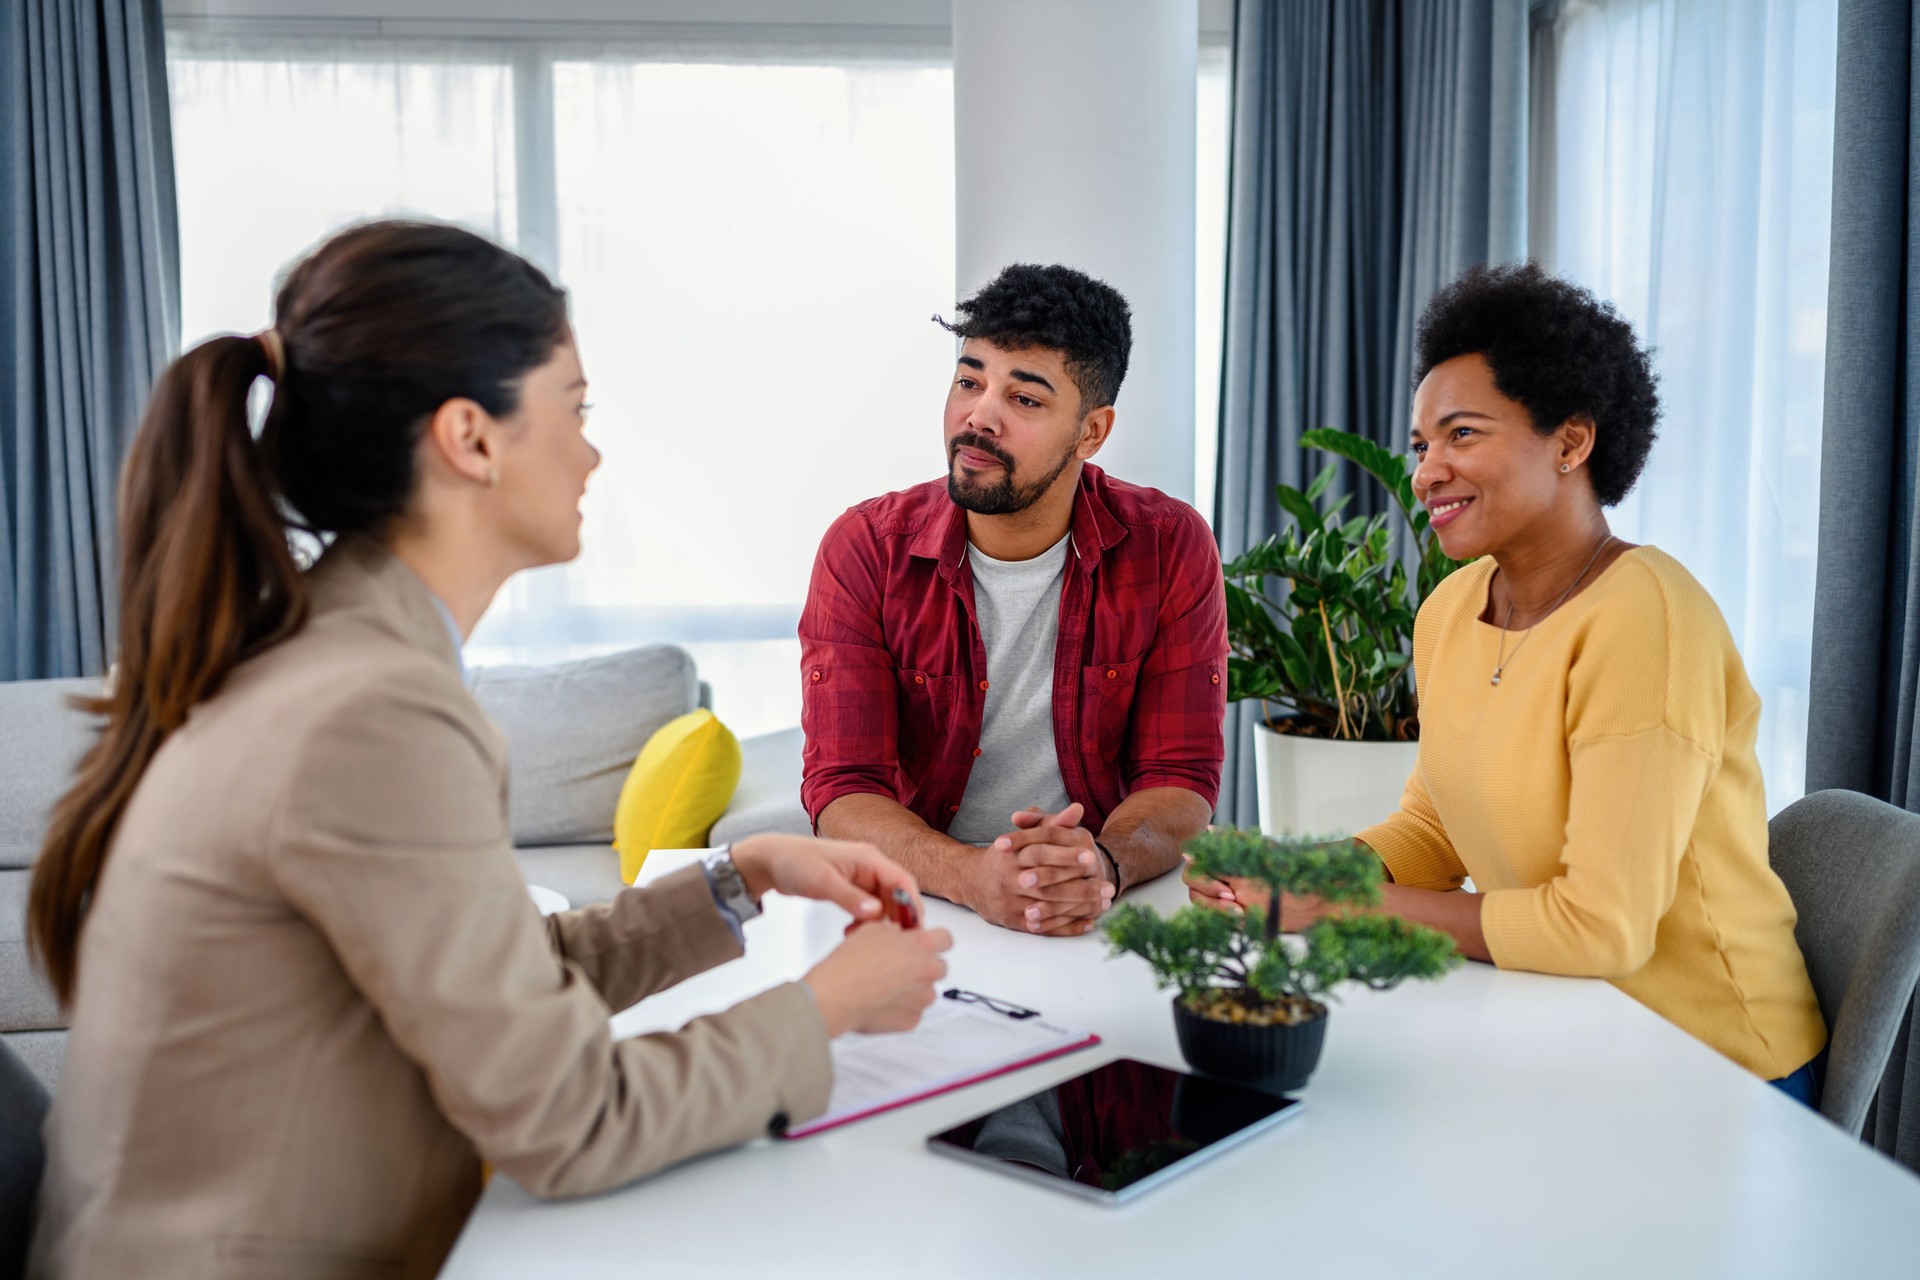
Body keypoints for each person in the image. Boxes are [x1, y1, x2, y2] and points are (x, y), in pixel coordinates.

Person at [25, 220, 953, 1279]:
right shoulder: (370, 711)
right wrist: (828, 1003)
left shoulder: (345, 656)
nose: (594, 450)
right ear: (471, 437)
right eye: (576, 407)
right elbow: (572, 1119)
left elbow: (505, 978)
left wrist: (740, 876)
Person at [1187, 263, 1827, 1100]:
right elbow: (1435, 831)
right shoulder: (1452, 611)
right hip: (1567, 1028)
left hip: (1712, 1066)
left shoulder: (1647, 621)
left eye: (1461, 435)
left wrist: (1341, 910)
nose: (1424, 473)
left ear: (1571, 441)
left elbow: (1601, 931)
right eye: (1421, 445)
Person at [800, 263, 1228, 939]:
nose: (979, 416)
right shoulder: (866, 550)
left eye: (1024, 400)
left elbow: (1180, 775)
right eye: (970, 381)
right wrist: (973, 877)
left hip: (1103, 907)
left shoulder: (1170, 545)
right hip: (929, 900)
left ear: (1091, 432)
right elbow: (844, 789)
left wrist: (1103, 864)